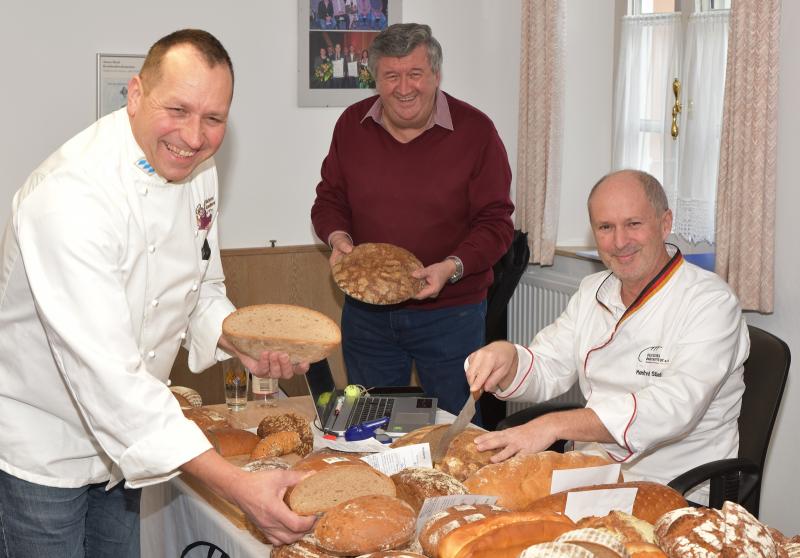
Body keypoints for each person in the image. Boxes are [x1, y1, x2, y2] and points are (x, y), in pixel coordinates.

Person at [0, 29, 315, 556]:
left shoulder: (199, 172)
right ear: (136, 94)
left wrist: (241, 342)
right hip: (45, 452)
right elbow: (108, 376)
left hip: (129, 454)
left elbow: (200, 284)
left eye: (214, 119)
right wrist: (236, 486)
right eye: (178, 110)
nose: (194, 137)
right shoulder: (70, 199)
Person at [466, 169, 749, 503]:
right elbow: (547, 365)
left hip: (676, 487)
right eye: (605, 227)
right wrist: (509, 358)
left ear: (665, 222)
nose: (619, 242)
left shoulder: (710, 302)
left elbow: (672, 406)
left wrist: (554, 425)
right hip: (592, 473)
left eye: (634, 224)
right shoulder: (592, 291)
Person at [310, 23, 514, 417]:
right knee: (372, 426)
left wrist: (451, 268)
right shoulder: (351, 126)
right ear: (376, 79)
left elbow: (496, 223)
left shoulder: (477, 132)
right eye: (391, 76)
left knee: (453, 430)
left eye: (415, 74)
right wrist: (338, 238)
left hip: (452, 314)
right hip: (367, 315)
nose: (404, 88)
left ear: (436, 75)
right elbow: (329, 199)